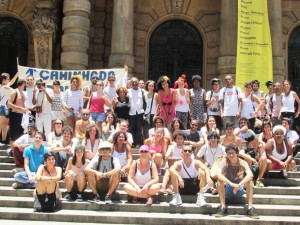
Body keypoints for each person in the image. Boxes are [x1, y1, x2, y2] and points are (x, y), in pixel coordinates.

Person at [214, 143, 259, 219]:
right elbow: (218, 174)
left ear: (237, 153)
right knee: (219, 181)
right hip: (228, 188)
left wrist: (239, 184)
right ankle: (223, 208)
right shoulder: (224, 161)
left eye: (233, 153)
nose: (231, 155)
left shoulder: (242, 162)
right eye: (229, 153)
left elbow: (250, 174)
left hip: (239, 189)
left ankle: (250, 209)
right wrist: (231, 184)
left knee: (250, 181)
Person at [7, 79, 30, 148]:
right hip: (15, 115)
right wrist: (20, 109)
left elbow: (24, 104)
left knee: (21, 134)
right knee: (13, 134)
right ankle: (13, 150)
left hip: (23, 116)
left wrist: (27, 110)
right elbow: (9, 104)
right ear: (23, 84)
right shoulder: (14, 92)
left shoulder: (23, 93)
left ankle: (19, 150)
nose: (27, 85)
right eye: (26, 83)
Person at [128, 77, 145, 147]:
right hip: (131, 112)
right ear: (131, 83)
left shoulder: (142, 91)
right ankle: (132, 143)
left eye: (136, 82)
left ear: (138, 82)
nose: (134, 83)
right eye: (133, 82)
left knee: (139, 128)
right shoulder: (128, 91)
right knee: (131, 128)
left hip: (140, 112)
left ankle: (138, 143)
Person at [0, 73, 16, 144]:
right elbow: (14, 91)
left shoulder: (5, 86)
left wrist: (17, 74)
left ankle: (3, 139)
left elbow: (12, 82)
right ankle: (3, 139)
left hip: (5, 107)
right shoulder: (3, 87)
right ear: (3, 80)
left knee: (5, 124)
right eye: (8, 79)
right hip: (2, 106)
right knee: (2, 124)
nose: (9, 80)